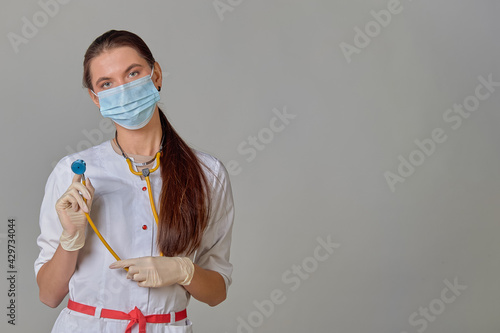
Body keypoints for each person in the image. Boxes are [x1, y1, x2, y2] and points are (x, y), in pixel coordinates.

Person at [34, 30, 234, 333]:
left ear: (156, 76)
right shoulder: (73, 173)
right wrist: (71, 237)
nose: (123, 90)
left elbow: (217, 293)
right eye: (107, 84)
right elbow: (49, 295)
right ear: (95, 98)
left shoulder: (208, 174)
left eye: (133, 73)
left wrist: (184, 270)